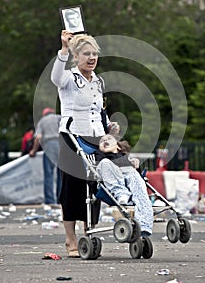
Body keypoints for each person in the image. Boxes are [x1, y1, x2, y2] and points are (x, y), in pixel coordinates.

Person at [51, 30, 119, 257]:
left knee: (95, 184)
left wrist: (109, 127)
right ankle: (70, 240)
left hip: (96, 138)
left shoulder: (98, 81)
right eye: (86, 54)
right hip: (72, 137)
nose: (91, 58)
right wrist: (63, 48)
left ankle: (88, 232)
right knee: (72, 187)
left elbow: (98, 110)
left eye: (95, 54)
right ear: (76, 56)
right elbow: (55, 78)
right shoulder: (69, 77)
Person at [95, 134, 154, 237]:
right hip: (112, 180)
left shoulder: (126, 157)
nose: (105, 141)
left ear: (118, 146)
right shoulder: (100, 155)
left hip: (128, 178)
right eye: (102, 141)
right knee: (105, 163)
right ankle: (122, 193)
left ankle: (144, 227)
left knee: (135, 177)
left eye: (109, 139)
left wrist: (135, 164)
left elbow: (136, 174)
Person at [29, 108, 62, 204]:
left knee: (49, 175)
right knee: (61, 175)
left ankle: (50, 201)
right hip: (61, 145)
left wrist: (33, 151)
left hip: (49, 146)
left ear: (44, 114)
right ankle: (61, 200)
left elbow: (38, 137)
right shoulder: (59, 118)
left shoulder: (42, 121)